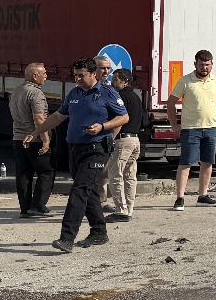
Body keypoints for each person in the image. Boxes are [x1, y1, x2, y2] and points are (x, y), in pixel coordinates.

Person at [24, 57, 127, 252]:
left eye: (81, 75)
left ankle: (67, 238)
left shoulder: (107, 93)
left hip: (96, 150)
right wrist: (36, 132)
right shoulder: (74, 93)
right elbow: (58, 116)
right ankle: (99, 232)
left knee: (79, 191)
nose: (77, 79)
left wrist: (102, 127)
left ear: (93, 74)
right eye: (75, 75)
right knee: (89, 192)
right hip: (74, 150)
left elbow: (124, 117)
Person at [167, 49, 216, 208]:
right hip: (190, 129)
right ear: (195, 64)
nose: (204, 68)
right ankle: (180, 198)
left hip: (211, 129)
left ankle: (203, 196)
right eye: (201, 65)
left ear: (212, 65)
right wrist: (174, 124)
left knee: (207, 162)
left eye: (207, 65)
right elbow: (171, 103)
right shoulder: (185, 81)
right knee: (186, 163)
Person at [9, 62, 54, 218]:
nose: (46, 76)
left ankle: (25, 208)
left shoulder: (16, 91)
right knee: (46, 172)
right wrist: (46, 139)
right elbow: (39, 118)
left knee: (24, 174)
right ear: (35, 76)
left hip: (17, 138)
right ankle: (38, 207)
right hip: (34, 140)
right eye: (44, 73)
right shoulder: (36, 94)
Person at [105, 67, 144, 222]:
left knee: (115, 175)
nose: (112, 82)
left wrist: (111, 139)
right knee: (130, 176)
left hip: (123, 140)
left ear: (125, 81)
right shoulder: (136, 97)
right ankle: (129, 209)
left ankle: (121, 210)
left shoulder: (119, 97)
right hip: (135, 140)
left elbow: (119, 121)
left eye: (115, 79)